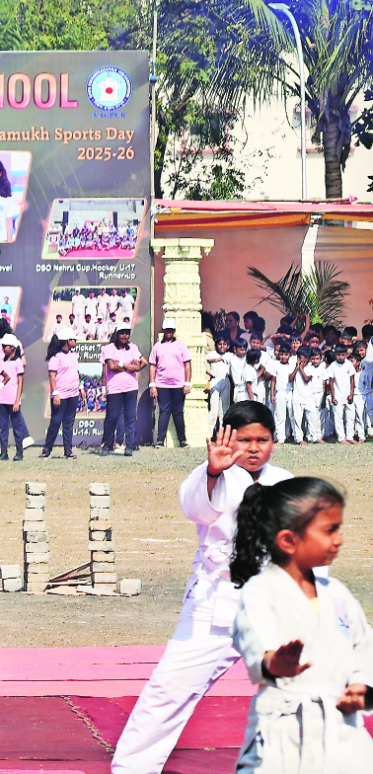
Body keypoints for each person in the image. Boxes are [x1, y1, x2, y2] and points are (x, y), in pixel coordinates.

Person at [109, 401, 292, 774]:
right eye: (244, 439)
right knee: (168, 691)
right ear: (226, 438)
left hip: (275, 608)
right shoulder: (213, 474)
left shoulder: (287, 484)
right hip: (216, 604)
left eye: (263, 439)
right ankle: (132, 768)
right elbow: (196, 509)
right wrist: (212, 471)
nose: (254, 448)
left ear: (275, 440)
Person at [226, 477, 371, 771]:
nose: (339, 539)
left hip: (343, 732)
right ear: (289, 540)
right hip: (284, 730)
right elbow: (257, 645)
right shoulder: (260, 591)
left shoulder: (337, 592)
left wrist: (361, 684)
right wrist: (274, 662)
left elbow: (364, 644)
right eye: (330, 530)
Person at [101, 325, 145, 456]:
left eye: (127, 333)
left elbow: (138, 366)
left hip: (131, 387)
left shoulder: (133, 348)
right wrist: (129, 366)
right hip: (114, 388)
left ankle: (129, 446)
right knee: (112, 417)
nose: (125, 336)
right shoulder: (108, 349)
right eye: (122, 333)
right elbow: (111, 366)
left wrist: (121, 364)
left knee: (130, 417)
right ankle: (107, 445)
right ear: (117, 334)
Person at [150, 319, 194, 448]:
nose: (169, 333)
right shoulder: (157, 346)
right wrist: (152, 385)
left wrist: (187, 383)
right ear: (163, 330)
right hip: (162, 384)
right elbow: (152, 366)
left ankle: (182, 440)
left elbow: (187, 365)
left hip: (178, 384)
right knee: (164, 411)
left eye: (171, 330)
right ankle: (160, 440)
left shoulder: (181, 345)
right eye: (167, 330)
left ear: (174, 331)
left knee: (178, 412)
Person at [42, 332, 81, 459]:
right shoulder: (55, 357)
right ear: (67, 340)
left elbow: (76, 372)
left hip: (73, 394)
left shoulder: (74, 355)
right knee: (56, 421)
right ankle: (47, 449)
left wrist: (80, 387)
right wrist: (56, 393)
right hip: (60, 394)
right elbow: (52, 376)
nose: (75, 341)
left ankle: (68, 451)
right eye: (73, 339)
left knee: (69, 423)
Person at [0, 333, 27, 460]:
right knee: (2, 428)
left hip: (13, 400)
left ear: (13, 347)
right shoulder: (0, 362)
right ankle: (4, 453)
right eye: (2, 346)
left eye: (5, 346)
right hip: (1, 400)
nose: (3, 348)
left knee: (17, 428)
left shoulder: (18, 362)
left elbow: (20, 383)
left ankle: (19, 453)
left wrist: (17, 401)